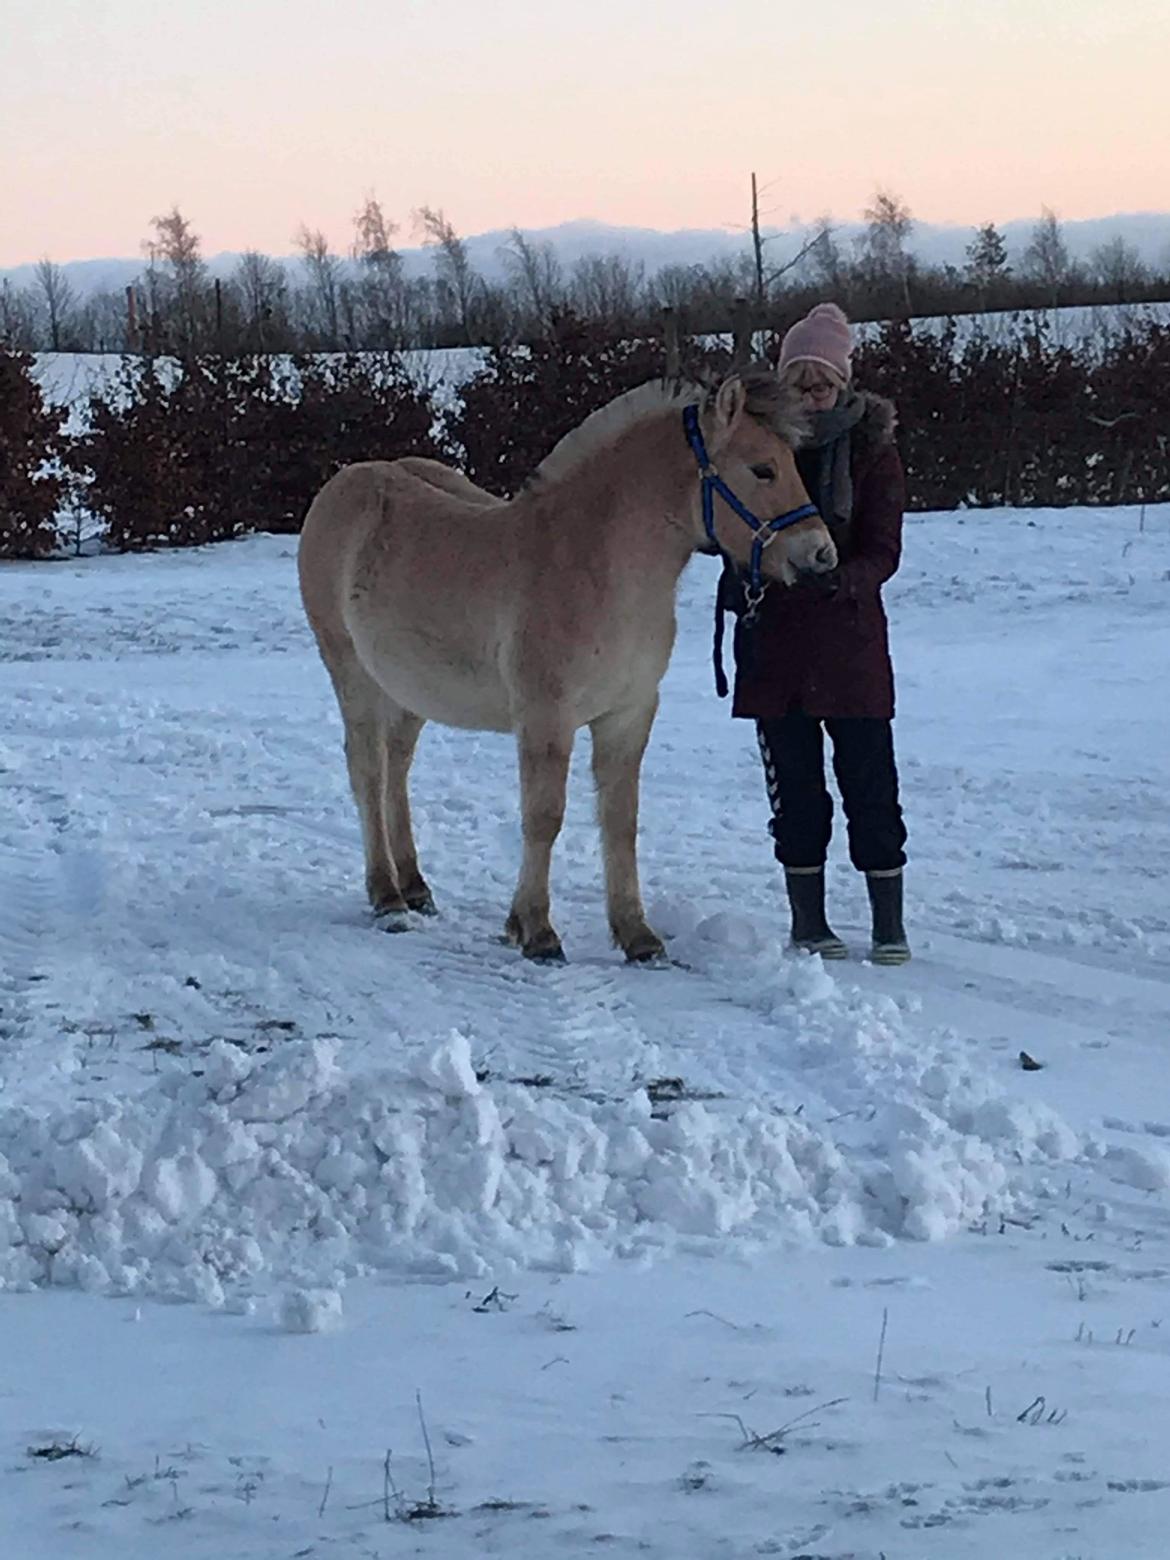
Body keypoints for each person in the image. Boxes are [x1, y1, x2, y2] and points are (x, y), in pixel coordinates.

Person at [722, 302, 910, 964]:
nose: (811, 391)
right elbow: (729, 526)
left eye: (822, 379)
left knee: (872, 790)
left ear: (843, 381)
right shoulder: (756, 450)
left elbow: (884, 550)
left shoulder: (872, 453)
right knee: (797, 798)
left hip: (850, 648)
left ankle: (889, 926)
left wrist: (841, 581)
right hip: (774, 650)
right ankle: (810, 924)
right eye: (799, 379)